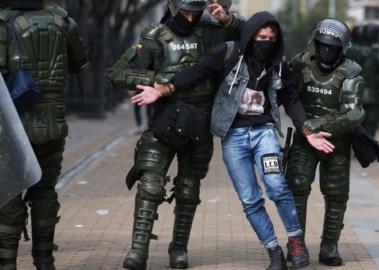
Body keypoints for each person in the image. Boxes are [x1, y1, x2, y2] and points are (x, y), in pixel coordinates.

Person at [130, 11, 335, 270]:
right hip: (233, 137)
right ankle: (273, 252)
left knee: (276, 186)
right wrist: (162, 89)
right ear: (250, 36)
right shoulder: (228, 54)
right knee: (250, 200)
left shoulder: (279, 65)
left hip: (264, 134)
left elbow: (291, 100)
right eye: (261, 37)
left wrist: (308, 130)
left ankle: (296, 242)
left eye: (271, 39)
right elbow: (196, 72)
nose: (266, 43)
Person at [105, 1, 243, 269]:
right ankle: (138, 250)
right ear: (173, 6)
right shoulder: (154, 36)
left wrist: (227, 19)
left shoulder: (211, 31)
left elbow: (250, 33)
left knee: (189, 190)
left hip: (199, 123)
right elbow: (116, 74)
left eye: (195, 11)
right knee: (150, 185)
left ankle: (179, 249)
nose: (190, 17)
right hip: (164, 120)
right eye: (185, 11)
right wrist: (155, 79)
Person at [0, 0, 90, 269]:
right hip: (53, 121)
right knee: (44, 191)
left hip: (11, 125)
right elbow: (80, 62)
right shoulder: (63, 23)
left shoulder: (3, 24)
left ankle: (7, 263)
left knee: (9, 194)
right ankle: (44, 260)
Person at [285, 19, 365, 266]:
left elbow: (355, 113)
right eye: (322, 46)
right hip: (304, 139)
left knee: (337, 194)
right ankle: (296, 245)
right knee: (296, 187)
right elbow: (285, 92)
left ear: (342, 48)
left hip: (336, 143)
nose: (326, 51)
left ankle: (329, 245)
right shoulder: (300, 65)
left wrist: (324, 124)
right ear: (315, 45)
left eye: (332, 47)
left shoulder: (351, 74)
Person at [347, 23, 379, 137]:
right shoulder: (378, 52)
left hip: (352, 94)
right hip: (372, 96)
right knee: (370, 126)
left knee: (353, 125)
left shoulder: (350, 50)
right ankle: (367, 152)